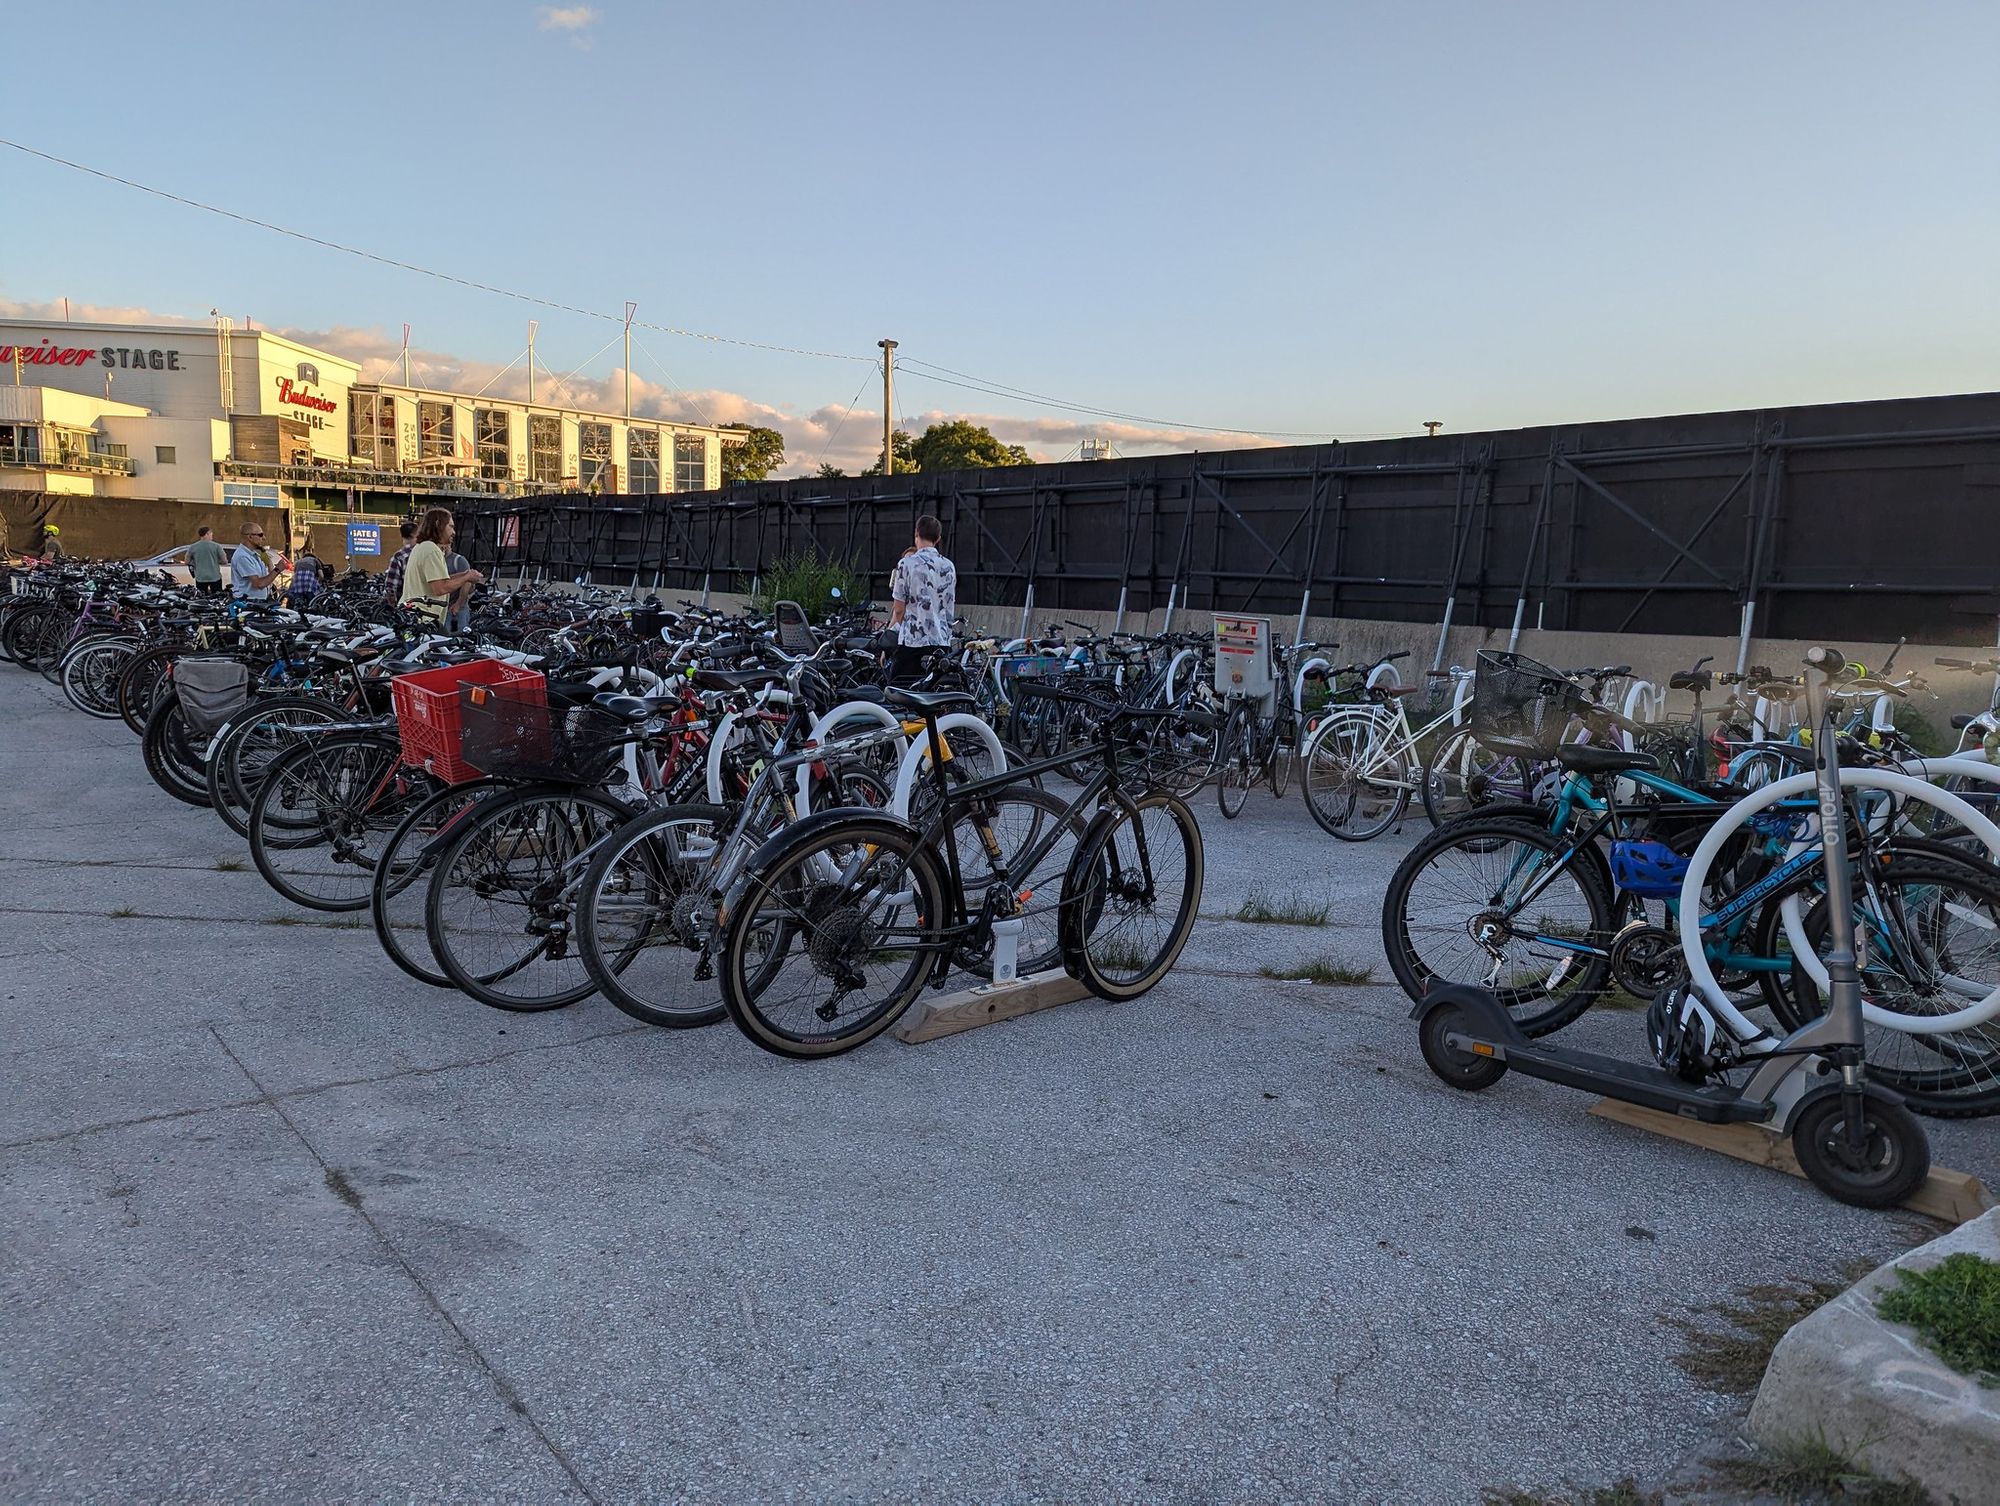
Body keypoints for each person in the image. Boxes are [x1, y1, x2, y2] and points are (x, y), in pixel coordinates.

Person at [888, 514, 957, 683]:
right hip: (941, 640)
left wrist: (888, 636)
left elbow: (898, 610)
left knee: (898, 691)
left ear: (916, 533)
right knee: (933, 694)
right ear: (938, 538)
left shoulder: (906, 564)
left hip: (912, 642)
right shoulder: (949, 566)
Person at [399, 507, 483, 624]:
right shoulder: (431, 550)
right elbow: (440, 588)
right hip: (424, 620)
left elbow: (436, 581)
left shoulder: (422, 547)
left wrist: (464, 575)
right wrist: (467, 577)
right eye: (451, 526)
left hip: (414, 617)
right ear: (439, 524)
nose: (454, 532)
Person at [229, 520, 284, 603]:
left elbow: (267, 576)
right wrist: (278, 569)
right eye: (260, 535)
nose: (264, 538)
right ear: (250, 537)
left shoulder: (255, 554)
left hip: (257, 601)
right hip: (248, 602)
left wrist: (269, 563)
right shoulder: (243, 557)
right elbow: (259, 584)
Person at [380, 519, 418, 604]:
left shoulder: (398, 557)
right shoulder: (424, 554)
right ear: (414, 534)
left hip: (406, 606)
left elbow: (391, 587)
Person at [187, 526, 228, 596]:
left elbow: (187, 561)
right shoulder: (217, 546)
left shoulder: (193, 547)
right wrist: (216, 561)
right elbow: (224, 561)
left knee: (201, 599)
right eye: (211, 534)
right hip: (215, 577)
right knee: (217, 597)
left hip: (200, 578)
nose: (212, 536)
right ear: (207, 533)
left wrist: (196, 562)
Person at [288, 543, 324, 609]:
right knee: (313, 599)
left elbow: (295, 575)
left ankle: (298, 609)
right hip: (309, 580)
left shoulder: (298, 562)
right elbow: (321, 576)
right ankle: (312, 609)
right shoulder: (315, 560)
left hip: (298, 580)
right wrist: (319, 582)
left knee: (298, 600)